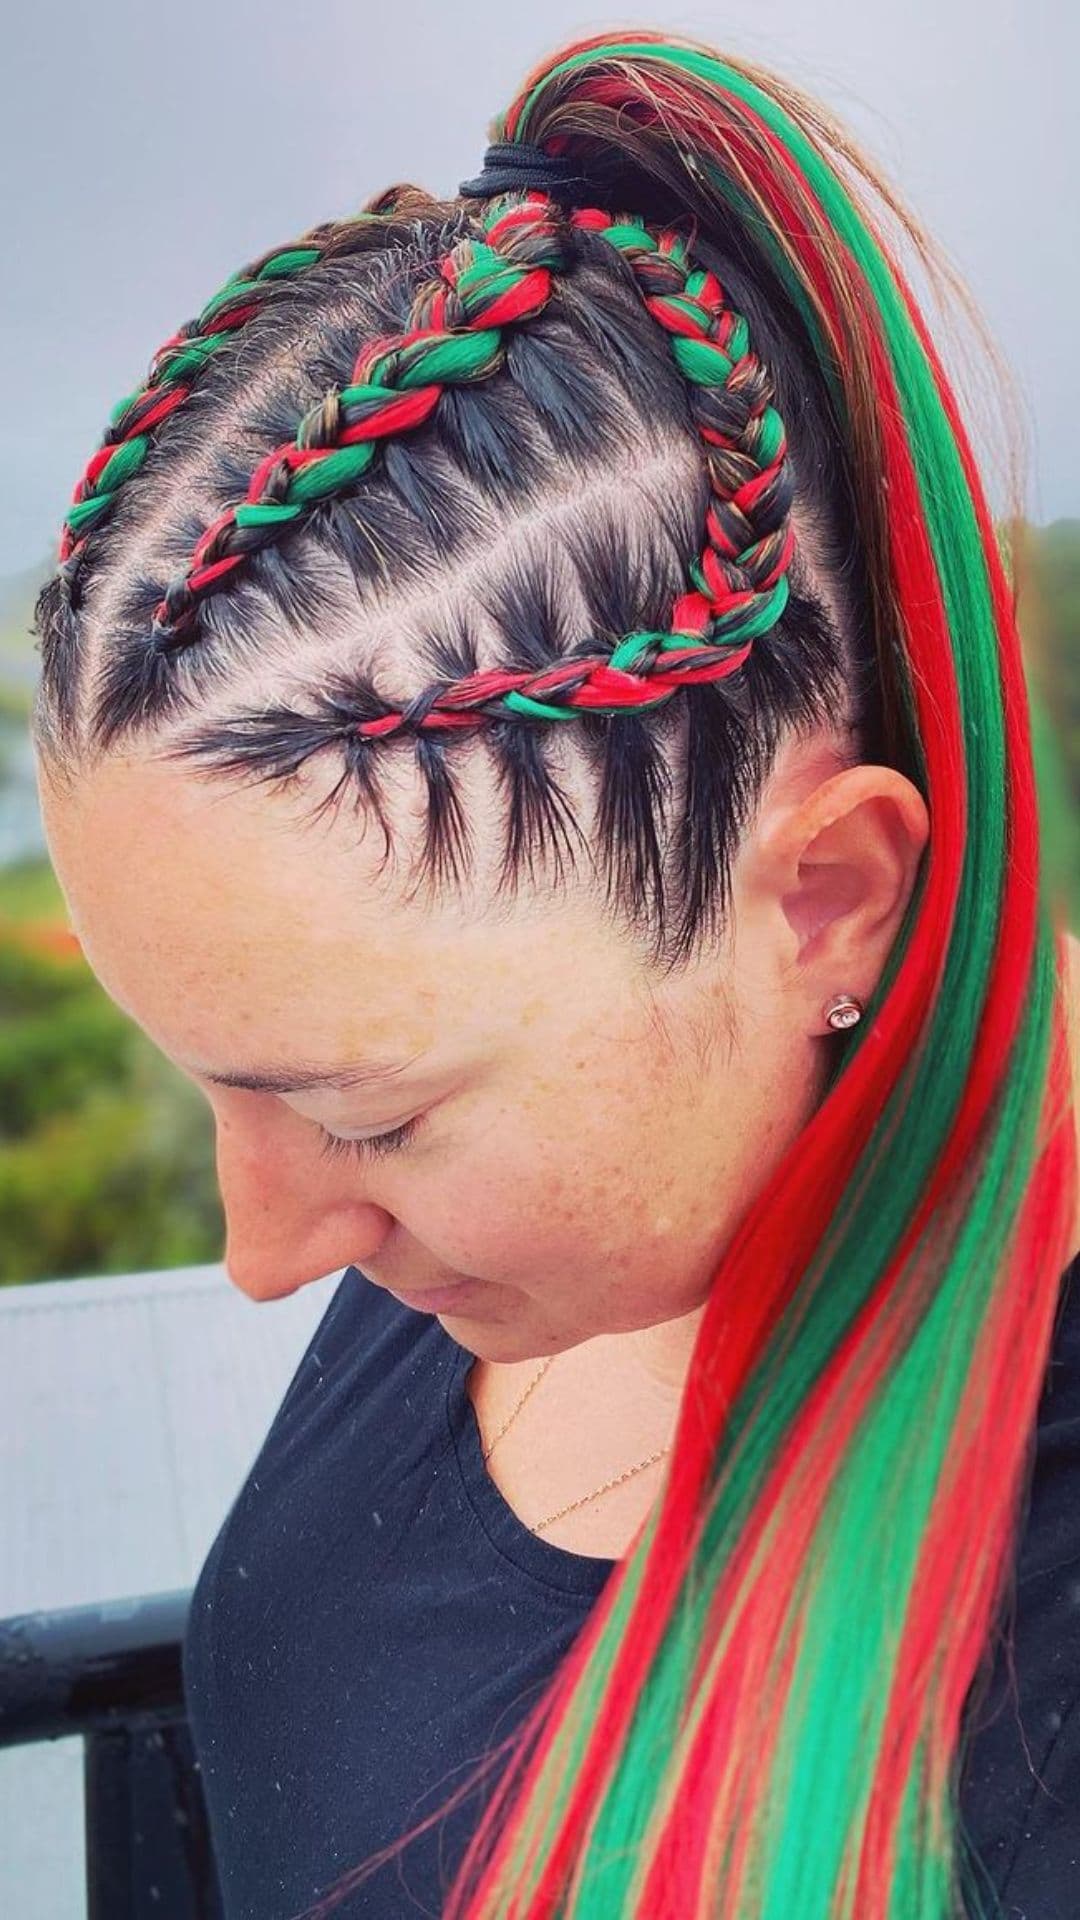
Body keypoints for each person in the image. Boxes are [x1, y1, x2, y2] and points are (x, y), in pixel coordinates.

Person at [30, 25, 1080, 1920]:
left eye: (367, 1113)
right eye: (213, 1077)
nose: (260, 1255)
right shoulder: (528, 1221)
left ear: (825, 899)